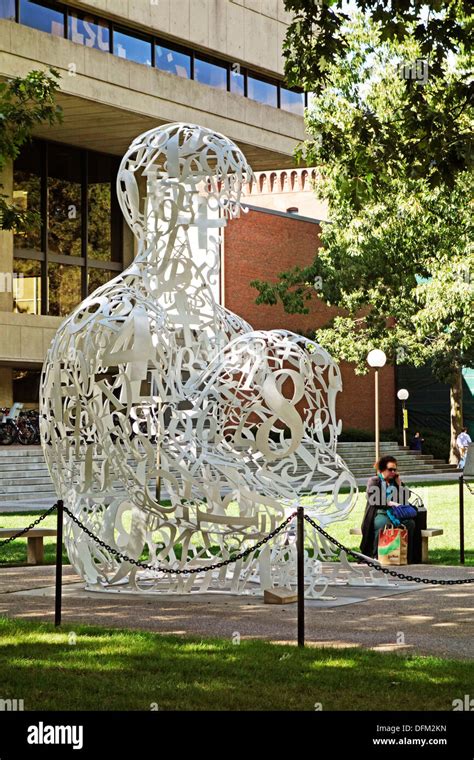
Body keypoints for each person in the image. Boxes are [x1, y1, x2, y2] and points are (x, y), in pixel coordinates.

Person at [360, 455, 416, 563]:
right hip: (379, 512)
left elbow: (406, 496)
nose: (393, 472)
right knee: (384, 523)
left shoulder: (395, 482)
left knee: (410, 523)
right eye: (390, 469)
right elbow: (372, 498)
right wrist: (389, 503)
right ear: (382, 469)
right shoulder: (374, 481)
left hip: (396, 513)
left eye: (395, 470)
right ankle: (376, 555)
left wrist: (400, 485)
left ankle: (405, 556)